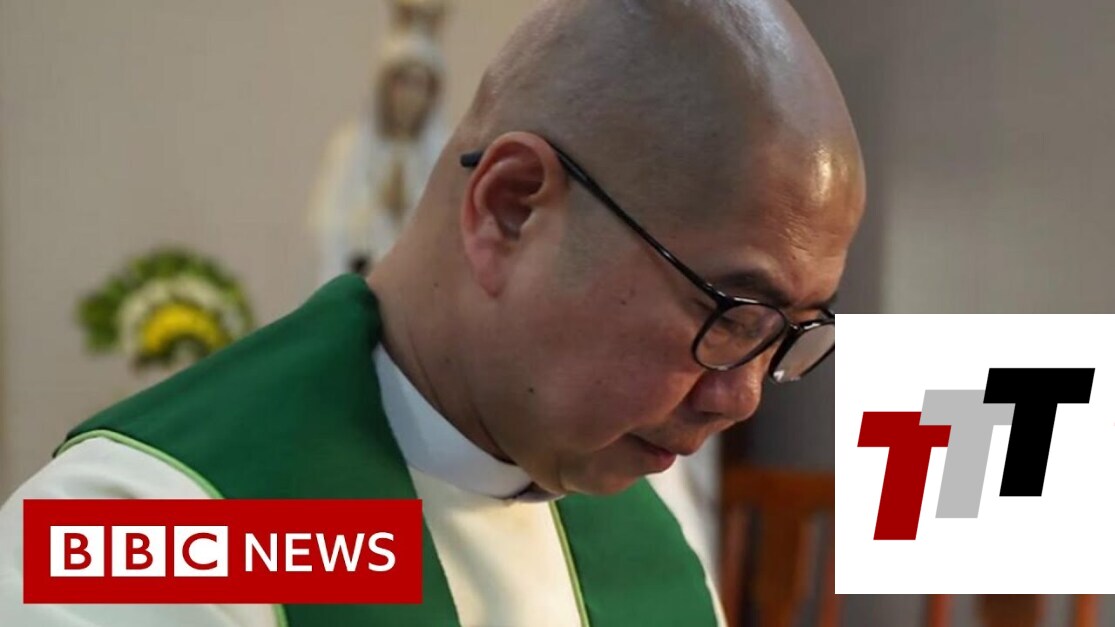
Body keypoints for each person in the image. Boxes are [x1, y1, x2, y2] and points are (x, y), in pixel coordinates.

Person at [0, 0, 866, 624]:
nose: (739, 396)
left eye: (785, 335)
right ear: (510, 209)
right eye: (731, 311)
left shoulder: (646, 533)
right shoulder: (143, 536)